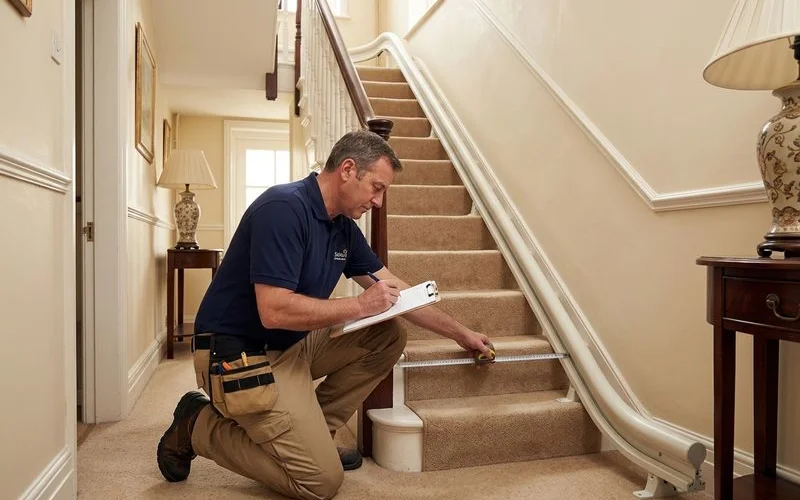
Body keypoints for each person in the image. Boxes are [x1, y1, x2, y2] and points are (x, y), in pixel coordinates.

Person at [156, 130, 492, 500]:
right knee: (320, 482)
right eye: (376, 188)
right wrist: (361, 305)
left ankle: (316, 432)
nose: (378, 202)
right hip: (238, 353)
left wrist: (461, 334)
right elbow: (274, 311)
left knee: (387, 335)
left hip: (291, 346)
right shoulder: (283, 209)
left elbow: (396, 292)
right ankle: (197, 424)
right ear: (348, 169)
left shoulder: (343, 229)